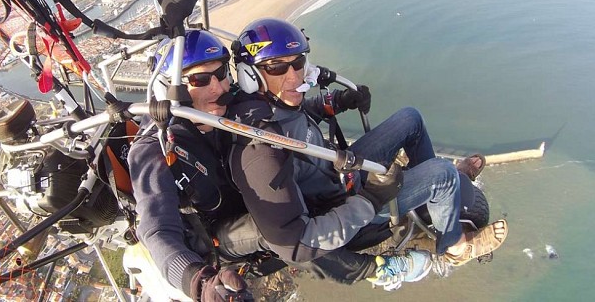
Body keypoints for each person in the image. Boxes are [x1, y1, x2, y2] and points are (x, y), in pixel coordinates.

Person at [223, 17, 508, 288]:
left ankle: (434, 203)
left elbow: (297, 117)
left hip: (343, 176)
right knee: (444, 174)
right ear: (252, 74)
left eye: (298, 62)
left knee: (411, 118)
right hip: (348, 210)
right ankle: (454, 247)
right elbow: (296, 241)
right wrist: (371, 199)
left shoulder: (262, 103)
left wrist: (336, 101)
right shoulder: (261, 147)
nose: (294, 75)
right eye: (277, 68)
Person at [128, 29, 254, 302]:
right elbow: (157, 231)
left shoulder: (224, 109)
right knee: (276, 229)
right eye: (199, 79)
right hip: (214, 237)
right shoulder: (153, 149)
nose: (218, 88)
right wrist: (201, 283)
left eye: (221, 73)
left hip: (244, 204)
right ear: (168, 89)